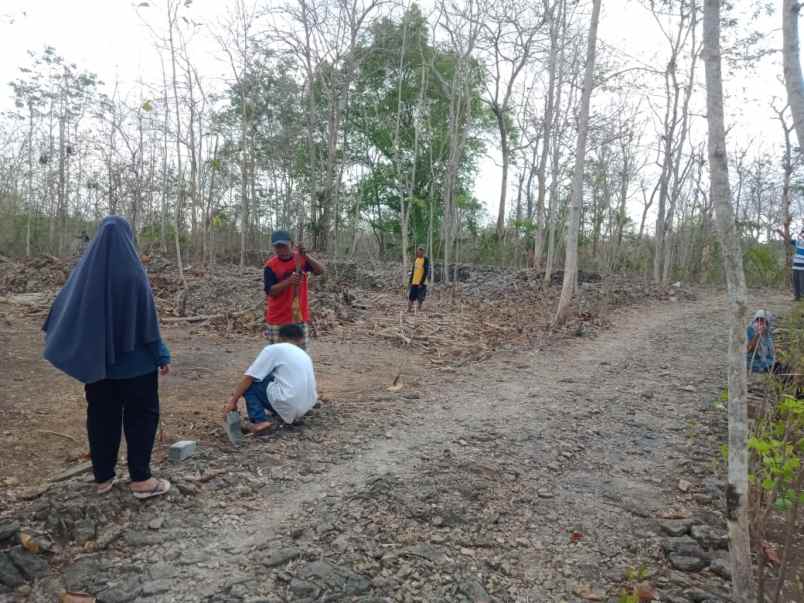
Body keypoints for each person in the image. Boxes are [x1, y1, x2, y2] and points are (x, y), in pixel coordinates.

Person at [43, 216, 171, 498]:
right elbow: (148, 323)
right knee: (141, 417)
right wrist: (161, 354)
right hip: (138, 367)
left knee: (101, 417)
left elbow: (62, 310)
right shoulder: (134, 274)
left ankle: (103, 478)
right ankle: (141, 480)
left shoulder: (84, 275)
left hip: (99, 367)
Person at [223, 323, 317, 435]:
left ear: (280, 337)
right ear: (301, 339)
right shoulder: (304, 354)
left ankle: (260, 422)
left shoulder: (274, 349)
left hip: (291, 403)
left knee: (251, 385)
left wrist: (233, 401)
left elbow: (249, 377)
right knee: (270, 377)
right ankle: (286, 413)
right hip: (306, 406)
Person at [263, 230, 324, 350]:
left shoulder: (301, 259)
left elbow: (320, 271)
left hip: (299, 317)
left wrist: (305, 255)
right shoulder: (270, 266)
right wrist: (289, 282)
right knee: (277, 355)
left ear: (291, 244)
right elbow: (270, 291)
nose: (281, 250)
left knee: (299, 356)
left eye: (284, 246)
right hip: (278, 318)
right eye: (278, 247)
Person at [776, 227, 804, 300]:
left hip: (803, 268)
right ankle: (797, 297)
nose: (803, 234)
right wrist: (781, 233)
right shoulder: (798, 242)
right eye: (802, 233)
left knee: (802, 284)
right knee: (796, 283)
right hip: (796, 267)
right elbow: (788, 240)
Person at [407, 246, 430, 313]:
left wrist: (421, 282)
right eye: (418, 252)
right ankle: (409, 309)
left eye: (420, 252)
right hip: (414, 281)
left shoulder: (425, 259)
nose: (419, 253)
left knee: (420, 297)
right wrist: (410, 281)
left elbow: (426, 272)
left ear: (423, 252)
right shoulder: (416, 259)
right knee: (411, 296)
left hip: (421, 283)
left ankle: (419, 309)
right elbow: (413, 270)